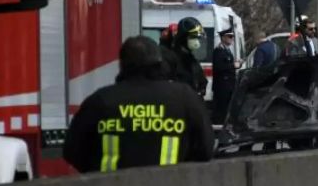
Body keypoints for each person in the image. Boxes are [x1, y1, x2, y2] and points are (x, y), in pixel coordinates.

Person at [63, 36, 214, 172]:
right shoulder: (184, 98)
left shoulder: (102, 101)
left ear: (122, 64)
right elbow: (205, 148)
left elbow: (72, 151)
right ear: (159, 63)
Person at [172, 17, 208, 96]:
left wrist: (201, 89)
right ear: (183, 38)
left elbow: (202, 80)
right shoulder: (173, 59)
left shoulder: (191, 58)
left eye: (197, 38)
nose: (197, 41)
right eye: (193, 37)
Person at [212, 28, 240, 123]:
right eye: (230, 36)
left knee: (227, 109)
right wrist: (233, 65)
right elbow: (218, 67)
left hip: (229, 85)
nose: (232, 39)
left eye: (232, 37)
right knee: (221, 110)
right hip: (222, 86)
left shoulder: (227, 50)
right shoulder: (219, 51)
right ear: (223, 37)